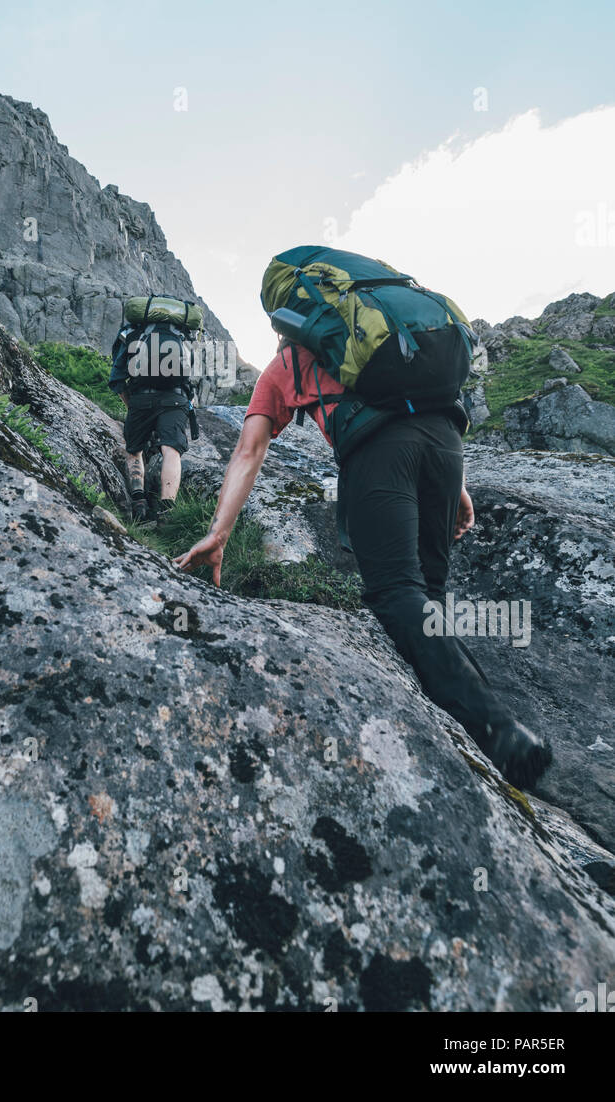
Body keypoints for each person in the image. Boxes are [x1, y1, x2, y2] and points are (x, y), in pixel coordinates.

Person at [174, 336, 552, 791]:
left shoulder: (289, 362)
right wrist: (458, 487)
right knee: (427, 603)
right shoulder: (389, 341)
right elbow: (428, 405)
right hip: (447, 445)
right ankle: (488, 734)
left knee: (396, 593)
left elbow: (249, 451)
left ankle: (499, 733)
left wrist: (218, 533)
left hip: (380, 450)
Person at [109, 316, 195, 524]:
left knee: (134, 450)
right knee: (171, 450)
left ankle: (139, 503)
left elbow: (117, 379)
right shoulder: (182, 338)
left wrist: (132, 405)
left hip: (141, 398)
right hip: (175, 399)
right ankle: (167, 512)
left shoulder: (132, 334)